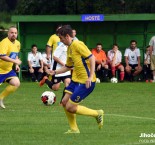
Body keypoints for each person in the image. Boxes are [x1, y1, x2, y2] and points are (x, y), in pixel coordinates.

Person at [48, 25, 104, 134]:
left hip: (86, 82)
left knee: (70, 107)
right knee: (64, 102)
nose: (60, 40)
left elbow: (92, 58)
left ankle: (97, 114)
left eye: (61, 38)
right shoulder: (69, 48)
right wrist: (54, 72)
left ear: (67, 36)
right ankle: (74, 129)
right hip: (75, 80)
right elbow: (68, 66)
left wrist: (90, 76)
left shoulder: (78, 44)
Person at [0, 26, 22, 109]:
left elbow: (15, 55)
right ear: (8, 33)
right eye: (12, 32)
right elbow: (2, 56)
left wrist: (16, 65)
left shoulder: (17, 43)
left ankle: (0, 98)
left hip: (8, 70)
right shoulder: (4, 42)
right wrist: (15, 62)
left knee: (16, 83)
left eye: (15, 33)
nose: (14, 34)